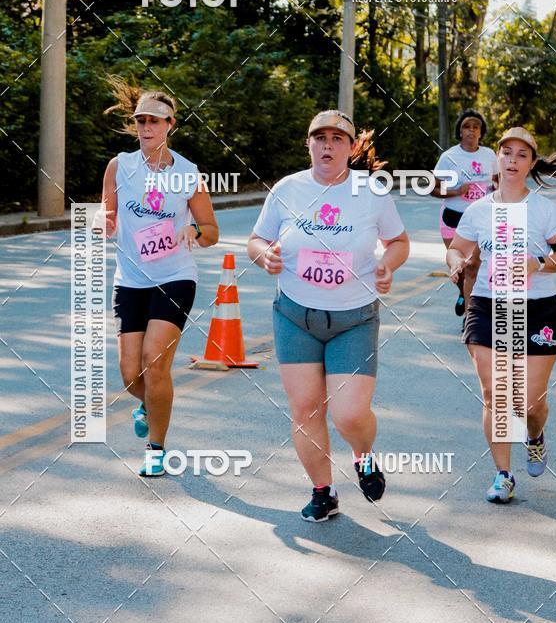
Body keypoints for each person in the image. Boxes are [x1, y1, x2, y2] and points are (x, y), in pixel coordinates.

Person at [247, 110, 409, 522]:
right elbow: (257, 238)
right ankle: (323, 492)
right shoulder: (288, 189)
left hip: (353, 317)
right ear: (308, 144)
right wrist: (263, 255)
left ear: (351, 148)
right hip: (295, 315)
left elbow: (398, 240)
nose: (327, 145)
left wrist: (389, 264)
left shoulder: (371, 191)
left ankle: (363, 456)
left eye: (338, 139)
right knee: (305, 410)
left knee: (349, 414)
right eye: (319, 137)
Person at [446, 126, 556, 504]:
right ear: (497, 158)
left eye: (521, 155)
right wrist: (457, 261)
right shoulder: (479, 211)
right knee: (496, 393)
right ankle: (503, 475)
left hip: (537, 307)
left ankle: (534, 435)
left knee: (528, 402)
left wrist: (537, 262)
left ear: (530, 164)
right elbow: (458, 248)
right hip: (487, 304)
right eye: (506, 152)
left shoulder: (545, 211)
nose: (512, 160)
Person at [102, 79, 218, 476]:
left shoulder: (187, 173)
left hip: (175, 276)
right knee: (131, 373)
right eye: (140, 121)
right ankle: (147, 404)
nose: (146, 127)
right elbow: (109, 214)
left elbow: (211, 229)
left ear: (171, 124)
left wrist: (194, 232)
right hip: (130, 277)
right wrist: (104, 221)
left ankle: (156, 448)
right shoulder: (120, 166)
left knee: (155, 363)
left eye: (154, 120)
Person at [432, 110, 499, 317]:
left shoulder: (489, 155)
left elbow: (499, 183)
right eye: (466, 126)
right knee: (459, 267)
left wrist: (495, 191)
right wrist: (456, 191)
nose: (471, 130)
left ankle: (471, 316)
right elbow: (433, 189)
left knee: (475, 267)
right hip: (453, 217)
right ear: (460, 132)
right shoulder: (449, 157)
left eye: (476, 126)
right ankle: (463, 292)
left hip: (481, 220)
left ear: (481, 132)